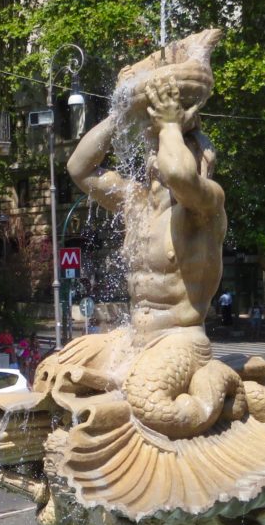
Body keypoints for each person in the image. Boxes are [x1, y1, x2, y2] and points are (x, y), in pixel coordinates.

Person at [67, 43, 225, 342]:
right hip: (134, 338)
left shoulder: (205, 205)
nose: (153, 155)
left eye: (161, 146)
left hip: (179, 340)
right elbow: (79, 169)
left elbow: (178, 175)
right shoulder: (136, 201)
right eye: (152, 146)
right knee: (64, 365)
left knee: (143, 388)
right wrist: (120, 113)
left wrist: (170, 127)